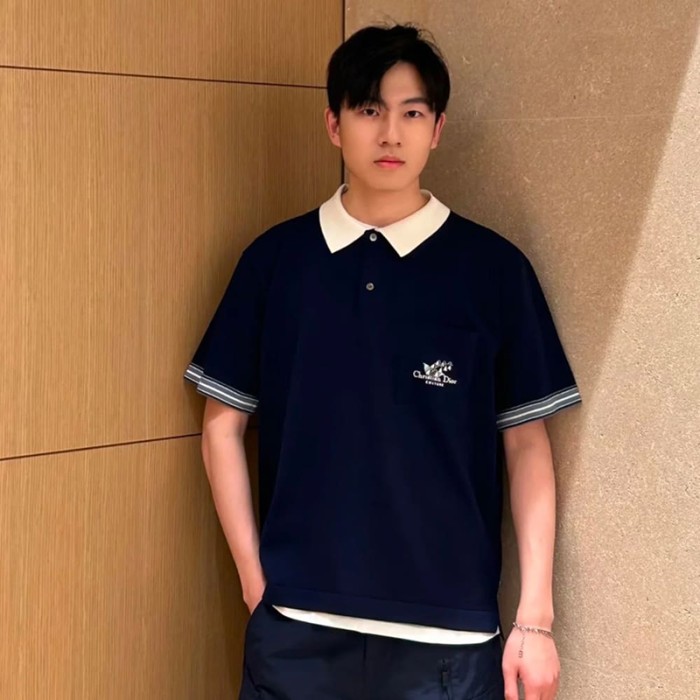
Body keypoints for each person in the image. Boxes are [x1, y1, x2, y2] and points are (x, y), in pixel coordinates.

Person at [184, 23, 581, 700]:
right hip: (297, 631)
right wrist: (257, 584)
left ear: (438, 129)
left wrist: (535, 620)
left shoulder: (492, 270)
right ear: (334, 124)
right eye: (369, 110)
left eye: (412, 113)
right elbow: (222, 425)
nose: (391, 134)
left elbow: (526, 444)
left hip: (449, 642)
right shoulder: (276, 263)